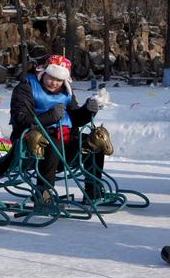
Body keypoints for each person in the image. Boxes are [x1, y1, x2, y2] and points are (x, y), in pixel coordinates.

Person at [9, 54, 102, 202]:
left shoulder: (66, 91)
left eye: (59, 80)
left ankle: (93, 190)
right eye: (51, 77)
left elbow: (75, 118)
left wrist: (88, 111)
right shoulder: (26, 87)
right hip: (32, 144)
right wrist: (50, 116)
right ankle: (43, 194)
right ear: (43, 72)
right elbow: (20, 119)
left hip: (64, 140)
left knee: (94, 143)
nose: (54, 83)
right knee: (52, 145)